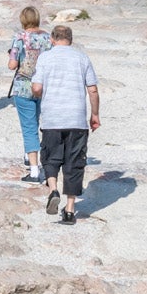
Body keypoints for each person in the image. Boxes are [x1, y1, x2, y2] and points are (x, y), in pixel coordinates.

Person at [32, 23, 98, 225]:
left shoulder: (45, 58)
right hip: (76, 119)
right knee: (74, 163)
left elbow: (36, 87)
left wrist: (43, 95)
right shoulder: (81, 57)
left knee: (50, 157)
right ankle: (69, 210)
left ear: (52, 39)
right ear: (71, 40)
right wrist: (95, 114)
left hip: (53, 117)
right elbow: (93, 90)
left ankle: (53, 189)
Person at [4, 4, 50, 183]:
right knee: (37, 121)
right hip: (42, 86)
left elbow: (12, 65)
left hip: (23, 86)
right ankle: (29, 154)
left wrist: (11, 56)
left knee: (28, 126)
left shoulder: (20, 37)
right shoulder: (47, 37)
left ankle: (33, 170)